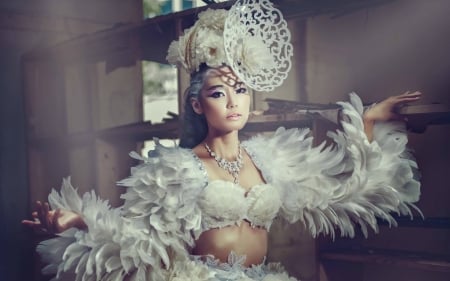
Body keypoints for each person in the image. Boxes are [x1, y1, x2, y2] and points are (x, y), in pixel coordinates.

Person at [23, 1, 422, 280]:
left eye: (241, 91)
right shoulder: (176, 170)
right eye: (218, 93)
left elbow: (343, 196)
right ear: (197, 105)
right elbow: (141, 244)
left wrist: (368, 124)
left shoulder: (272, 159)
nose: (233, 102)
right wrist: (80, 224)